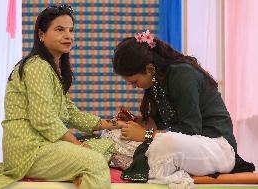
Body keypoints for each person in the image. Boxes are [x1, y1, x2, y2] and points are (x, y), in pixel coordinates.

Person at [0, 5, 125, 189]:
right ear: (41, 35)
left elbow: (70, 112)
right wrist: (77, 145)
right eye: (60, 30)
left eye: (71, 30)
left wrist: (113, 124)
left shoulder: (51, 69)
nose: (68, 36)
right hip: (30, 150)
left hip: (46, 146)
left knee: (106, 146)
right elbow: (44, 119)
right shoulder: (36, 66)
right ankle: (81, 170)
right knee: (93, 161)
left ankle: (78, 173)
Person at [109, 30, 254, 186]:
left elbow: (190, 130)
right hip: (189, 146)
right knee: (112, 135)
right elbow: (158, 123)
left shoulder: (182, 74)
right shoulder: (157, 81)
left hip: (217, 148)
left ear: (149, 69)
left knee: (164, 144)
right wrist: (132, 122)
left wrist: (145, 135)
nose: (134, 86)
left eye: (135, 81)